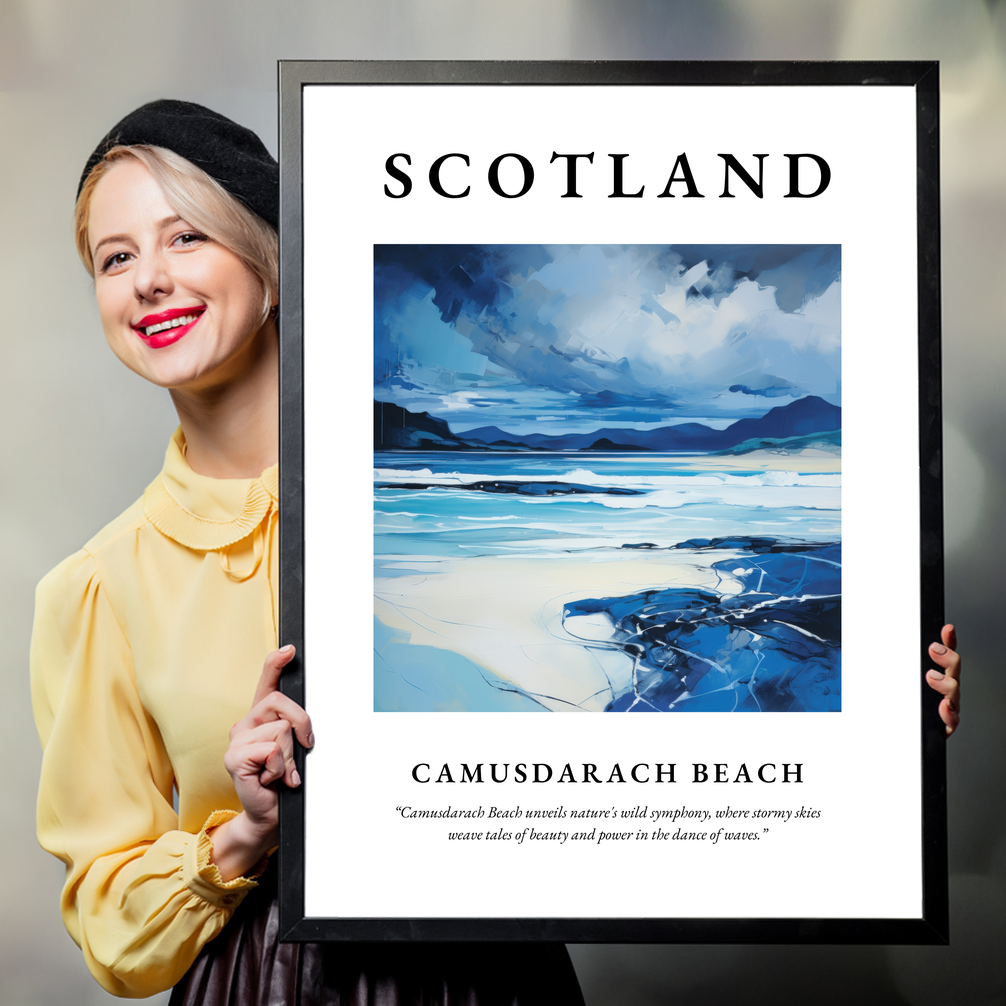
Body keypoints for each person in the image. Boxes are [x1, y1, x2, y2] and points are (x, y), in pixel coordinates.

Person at [30, 100, 585, 1004]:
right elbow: (110, 924)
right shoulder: (98, 587)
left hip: (493, 972)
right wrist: (244, 832)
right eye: (116, 257)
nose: (148, 281)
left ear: (273, 264)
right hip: (263, 981)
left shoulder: (440, 502)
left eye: (185, 239)